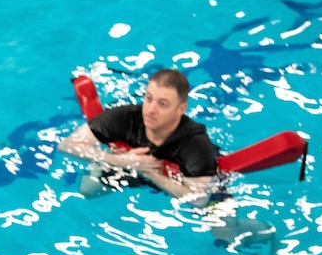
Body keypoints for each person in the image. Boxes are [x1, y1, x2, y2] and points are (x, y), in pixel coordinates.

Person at [58, 68, 218, 202]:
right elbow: (67, 145)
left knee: (225, 232)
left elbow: (199, 200)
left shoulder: (195, 144)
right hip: (130, 164)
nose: (150, 110)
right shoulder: (125, 117)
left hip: (179, 178)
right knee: (87, 189)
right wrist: (118, 160)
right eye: (148, 99)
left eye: (162, 104)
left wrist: (151, 174)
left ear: (181, 109)